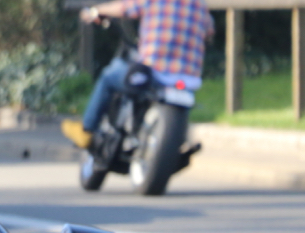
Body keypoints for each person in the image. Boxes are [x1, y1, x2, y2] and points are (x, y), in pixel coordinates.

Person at [61, 0, 213, 150]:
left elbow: (124, 8)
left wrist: (95, 11)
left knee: (109, 76)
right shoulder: (199, 5)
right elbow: (209, 31)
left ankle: (86, 130)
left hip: (153, 72)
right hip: (188, 78)